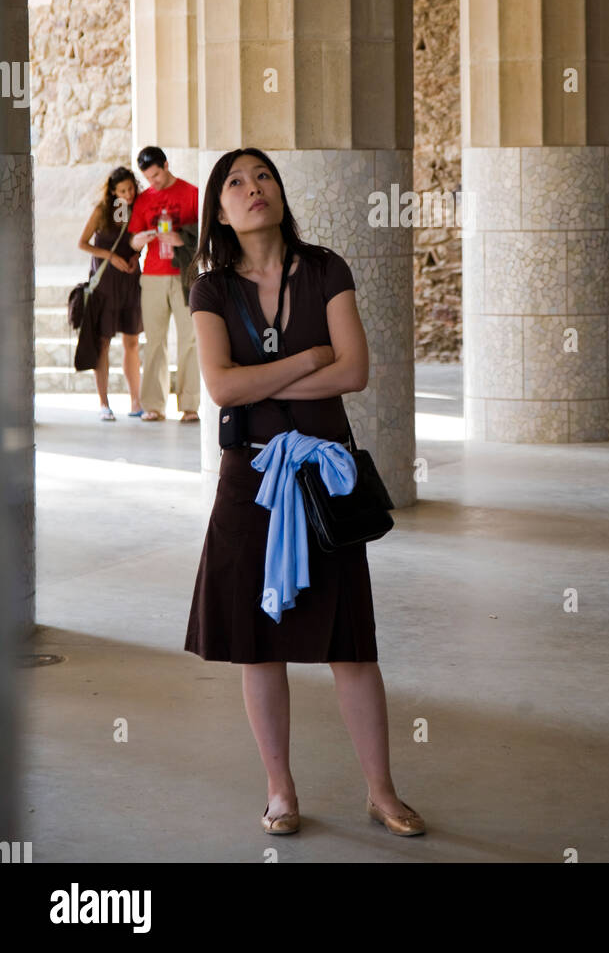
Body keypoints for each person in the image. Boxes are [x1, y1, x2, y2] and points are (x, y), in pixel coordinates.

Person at [184, 148, 425, 837]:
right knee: (258, 644)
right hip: (251, 482)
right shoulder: (209, 290)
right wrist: (306, 359)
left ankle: (381, 792)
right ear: (219, 211)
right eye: (235, 182)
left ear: (279, 193)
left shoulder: (326, 269)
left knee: (350, 643)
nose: (252, 188)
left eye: (262, 176)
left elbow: (353, 372)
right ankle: (280, 792)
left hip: (325, 478)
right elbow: (221, 388)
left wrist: (267, 375)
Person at [127, 146, 200, 423]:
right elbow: (132, 241)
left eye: (156, 175)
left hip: (185, 275)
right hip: (154, 275)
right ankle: (154, 405)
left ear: (166, 165)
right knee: (155, 340)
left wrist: (181, 239)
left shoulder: (191, 193)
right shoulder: (144, 200)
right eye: (148, 178)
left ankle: (190, 405)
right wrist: (141, 239)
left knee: (190, 339)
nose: (153, 182)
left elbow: (203, 234)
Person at [77, 166, 143, 421]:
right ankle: (104, 403)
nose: (128, 194)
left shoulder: (138, 209)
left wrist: (137, 257)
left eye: (131, 188)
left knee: (132, 342)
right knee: (103, 343)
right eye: (123, 190)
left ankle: (136, 401)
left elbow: (141, 241)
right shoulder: (102, 212)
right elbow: (82, 243)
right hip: (104, 284)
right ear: (113, 191)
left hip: (130, 281)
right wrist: (111, 256)